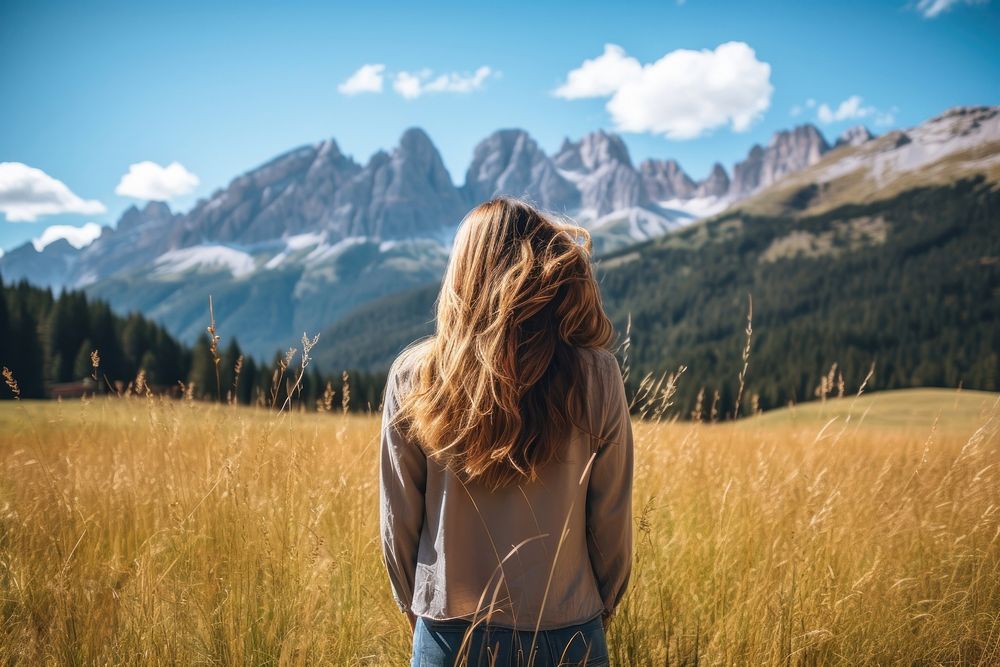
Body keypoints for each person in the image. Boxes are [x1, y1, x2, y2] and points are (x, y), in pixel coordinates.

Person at [379, 196, 634, 666]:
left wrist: (422, 615)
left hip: (449, 634)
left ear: (461, 273)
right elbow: (610, 524)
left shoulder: (414, 376)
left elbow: (399, 527)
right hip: (569, 631)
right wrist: (597, 610)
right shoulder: (597, 375)